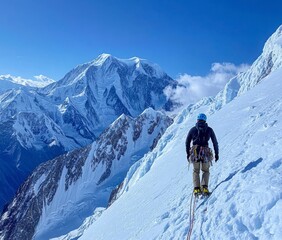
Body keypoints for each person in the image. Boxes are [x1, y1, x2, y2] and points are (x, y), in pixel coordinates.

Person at [186, 113, 219, 196]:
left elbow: (187, 142)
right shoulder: (209, 130)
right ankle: (204, 187)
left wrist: (188, 153)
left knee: (196, 170)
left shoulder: (193, 129)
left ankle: (197, 189)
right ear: (205, 120)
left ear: (197, 120)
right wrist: (216, 153)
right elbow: (215, 142)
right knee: (205, 170)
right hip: (205, 153)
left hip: (195, 152)